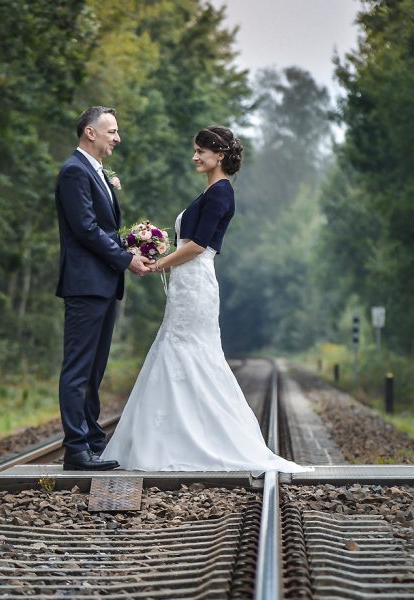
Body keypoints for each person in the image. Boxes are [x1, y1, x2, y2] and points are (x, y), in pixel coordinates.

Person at [101, 126, 311, 475]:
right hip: (187, 281)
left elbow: (197, 246)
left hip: (196, 282)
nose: (195, 156)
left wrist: (157, 265)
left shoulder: (221, 193)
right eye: (195, 150)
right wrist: (158, 248)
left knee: (190, 352)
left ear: (221, 154)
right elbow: (190, 242)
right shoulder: (211, 191)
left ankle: (198, 439)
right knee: (175, 349)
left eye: (202, 151)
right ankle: (174, 436)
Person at [55, 106, 153, 471]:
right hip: (85, 284)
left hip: (104, 283)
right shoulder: (73, 172)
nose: (117, 138)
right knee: (78, 368)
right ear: (90, 133)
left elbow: (103, 229)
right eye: (112, 131)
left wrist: (130, 245)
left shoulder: (95, 172)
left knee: (94, 370)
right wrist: (126, 259)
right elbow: (85, 228)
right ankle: (76, 450)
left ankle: (94, 441)